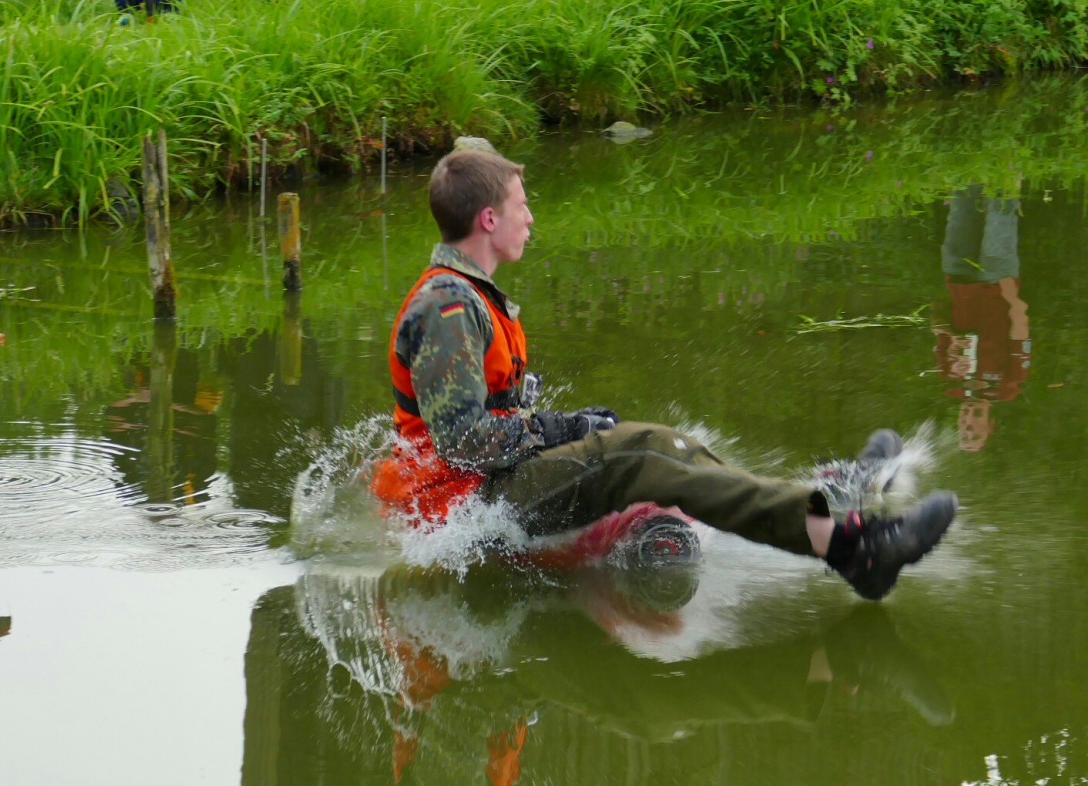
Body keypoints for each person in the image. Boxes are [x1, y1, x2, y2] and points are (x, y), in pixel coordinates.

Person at [371, 149, 958, 601]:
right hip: (463, 511)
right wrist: (558, 430)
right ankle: (854, 550)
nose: (531, 216)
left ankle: (834, 496)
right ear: (489, 217)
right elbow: (463, 442)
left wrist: (561, 428)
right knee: (645, 452)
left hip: (488, 489)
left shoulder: (470, 295)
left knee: (673, 450)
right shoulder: (448, 307)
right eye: (522, 204)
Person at [933, 185, 1030, 452]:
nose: (968, 423)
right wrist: (1012, 296)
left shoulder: (950, 380)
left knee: (962, 203)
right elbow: (1020, 331)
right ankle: (1009, 159)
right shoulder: (1007, 387)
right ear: (991, 425)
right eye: (975, 431)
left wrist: (952, 340)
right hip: (997, 280)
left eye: (964, 429)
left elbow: (936, 316)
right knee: (1001, 209)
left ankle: (965, 158)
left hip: (958, 276)